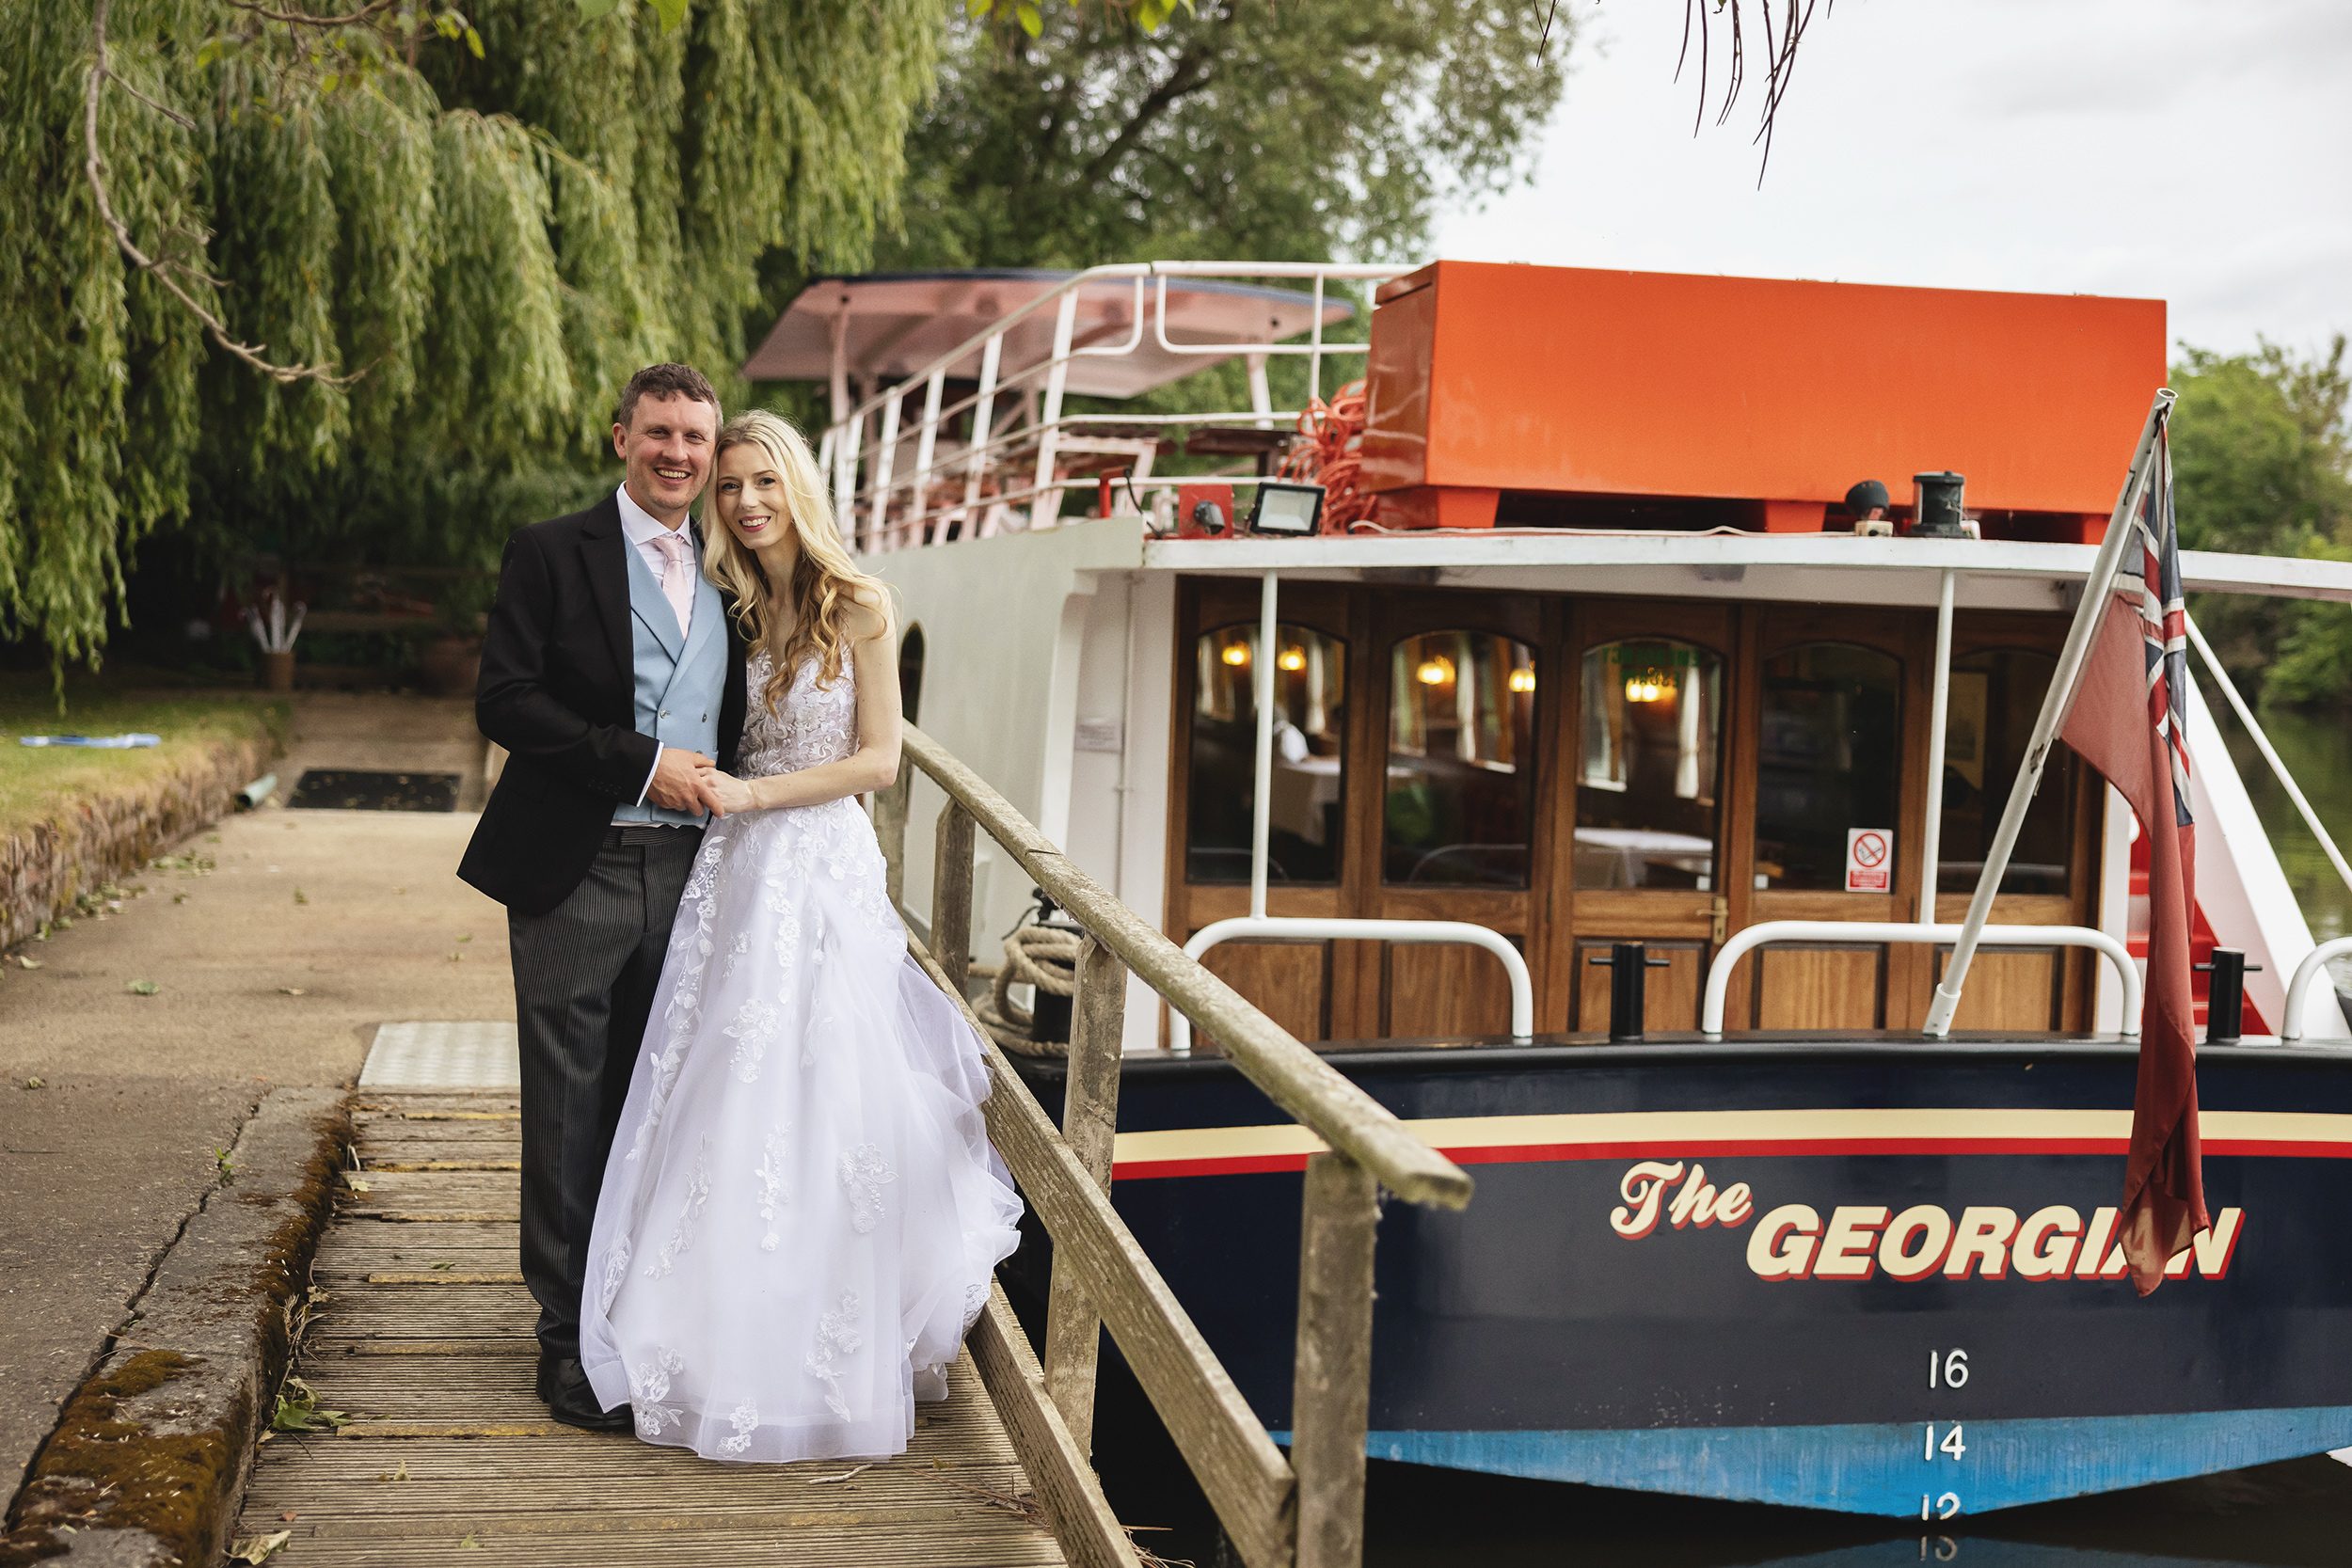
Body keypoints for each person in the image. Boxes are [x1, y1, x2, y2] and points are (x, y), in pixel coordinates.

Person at [578, 409, 1022, 1462]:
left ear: (798, 486)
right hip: (736, 869)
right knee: (725, 1076)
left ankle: (824, 1338)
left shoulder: (859, 603)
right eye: (729, 485)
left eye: (761, 481)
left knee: (823, 1077)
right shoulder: (736, 607)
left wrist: (757, 792)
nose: (744, 501)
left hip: (816, 860)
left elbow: (879, 761)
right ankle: (710, 1325)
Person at [459, 363, 747, 1432]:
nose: (679, 454)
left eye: (697, 440)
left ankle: (637, 1315)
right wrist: (640, 762)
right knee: (570, 1107)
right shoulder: (549, 551)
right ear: (620, 436)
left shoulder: (735, 559)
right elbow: (506, 698)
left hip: (694, 875)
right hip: (574, 863)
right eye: (661, 432)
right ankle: (564, 1341)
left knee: (656, 1104)